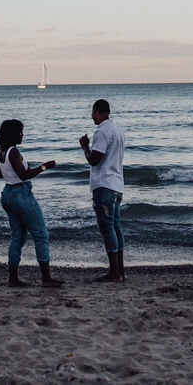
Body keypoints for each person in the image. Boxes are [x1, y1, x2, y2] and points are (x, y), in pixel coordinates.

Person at [0, 119, 63, 288]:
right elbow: (24, 175)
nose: (23, 135)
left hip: (7, 194)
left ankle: (13, 279)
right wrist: (44, 167)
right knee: (40, 234)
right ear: (13, 134)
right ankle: (46, 279)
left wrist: (10, 174)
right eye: (20, 132)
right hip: (21, 194)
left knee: (17, 237)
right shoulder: (14, 152)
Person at [78, 99, 126, 282]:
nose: (92, 116)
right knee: (115, 226)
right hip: (117, 184)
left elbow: (94, 159)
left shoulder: (102, 131)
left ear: (97, 111)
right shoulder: (118, 130)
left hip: (104, 184)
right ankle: (120, 270)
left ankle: (114, 272)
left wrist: (84, 146)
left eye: (92, 112)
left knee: (107, 228)